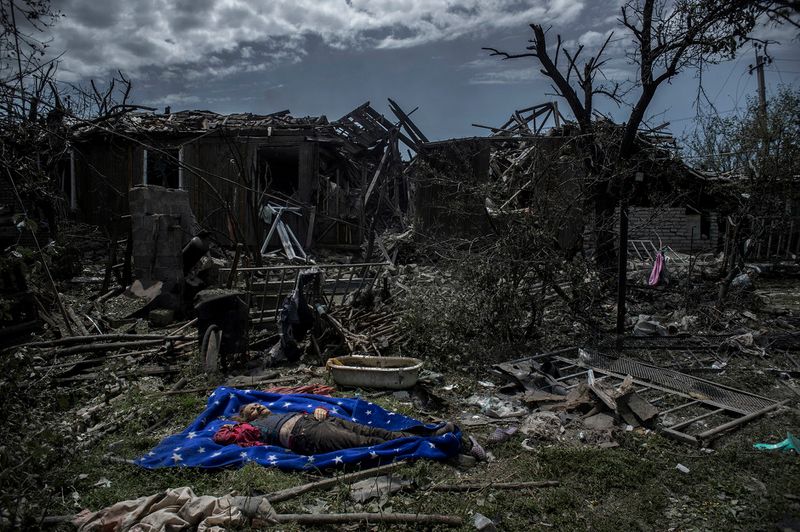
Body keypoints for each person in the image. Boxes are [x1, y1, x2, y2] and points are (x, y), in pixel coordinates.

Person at [213, 402, 485, 459]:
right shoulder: (250, 428)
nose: (258, 409)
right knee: (363, 441)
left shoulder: (282, 410)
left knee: (378, 432)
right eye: (251, 410)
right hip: (306, 436)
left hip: (318, 421)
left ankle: (432, 435)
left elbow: (312, 408)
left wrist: (318, 411)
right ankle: (436, 445)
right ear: (244, 419)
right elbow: (225, 437)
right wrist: (238, 426)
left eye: (258, 406)